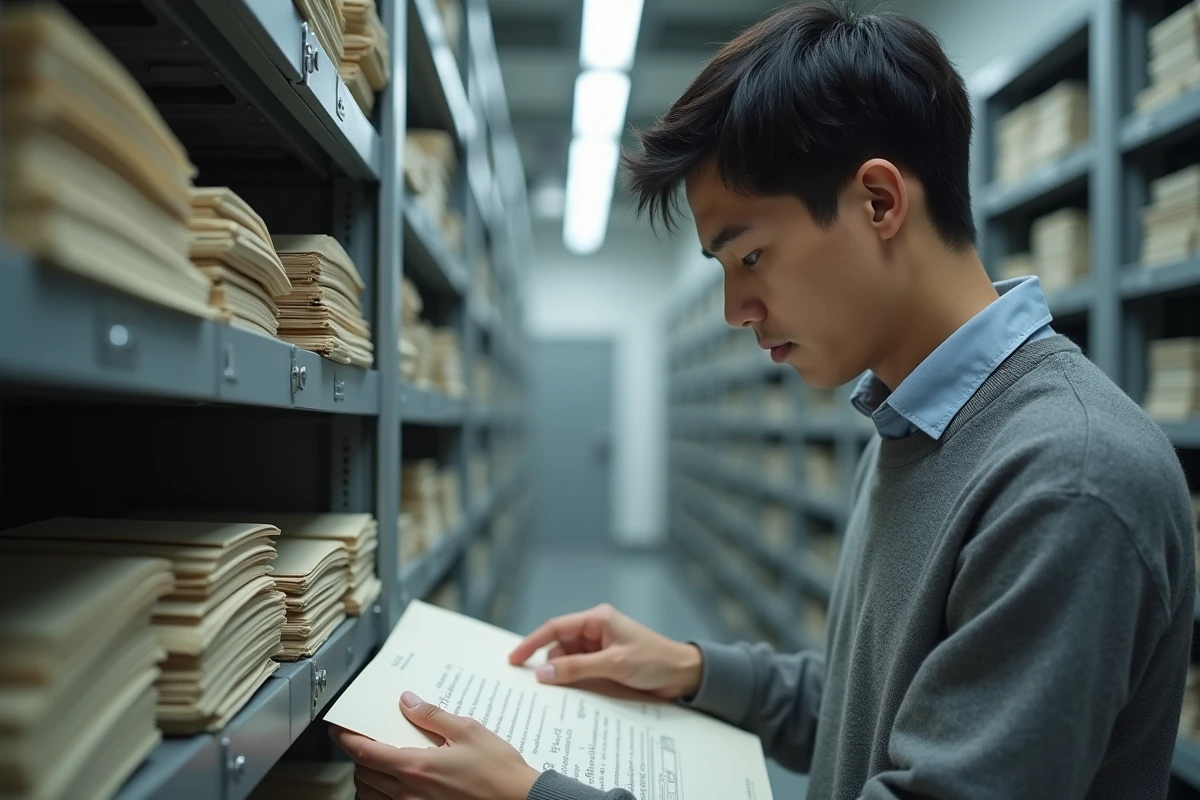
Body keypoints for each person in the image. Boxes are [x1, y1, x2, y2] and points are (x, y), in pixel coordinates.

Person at [331, 1, 1197, 798]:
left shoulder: (1066, 480)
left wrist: (532, 795)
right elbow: (886, 710)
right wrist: (692, 668)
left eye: (749, 257)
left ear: (879, 200)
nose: (735, 311)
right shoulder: (913, 420)